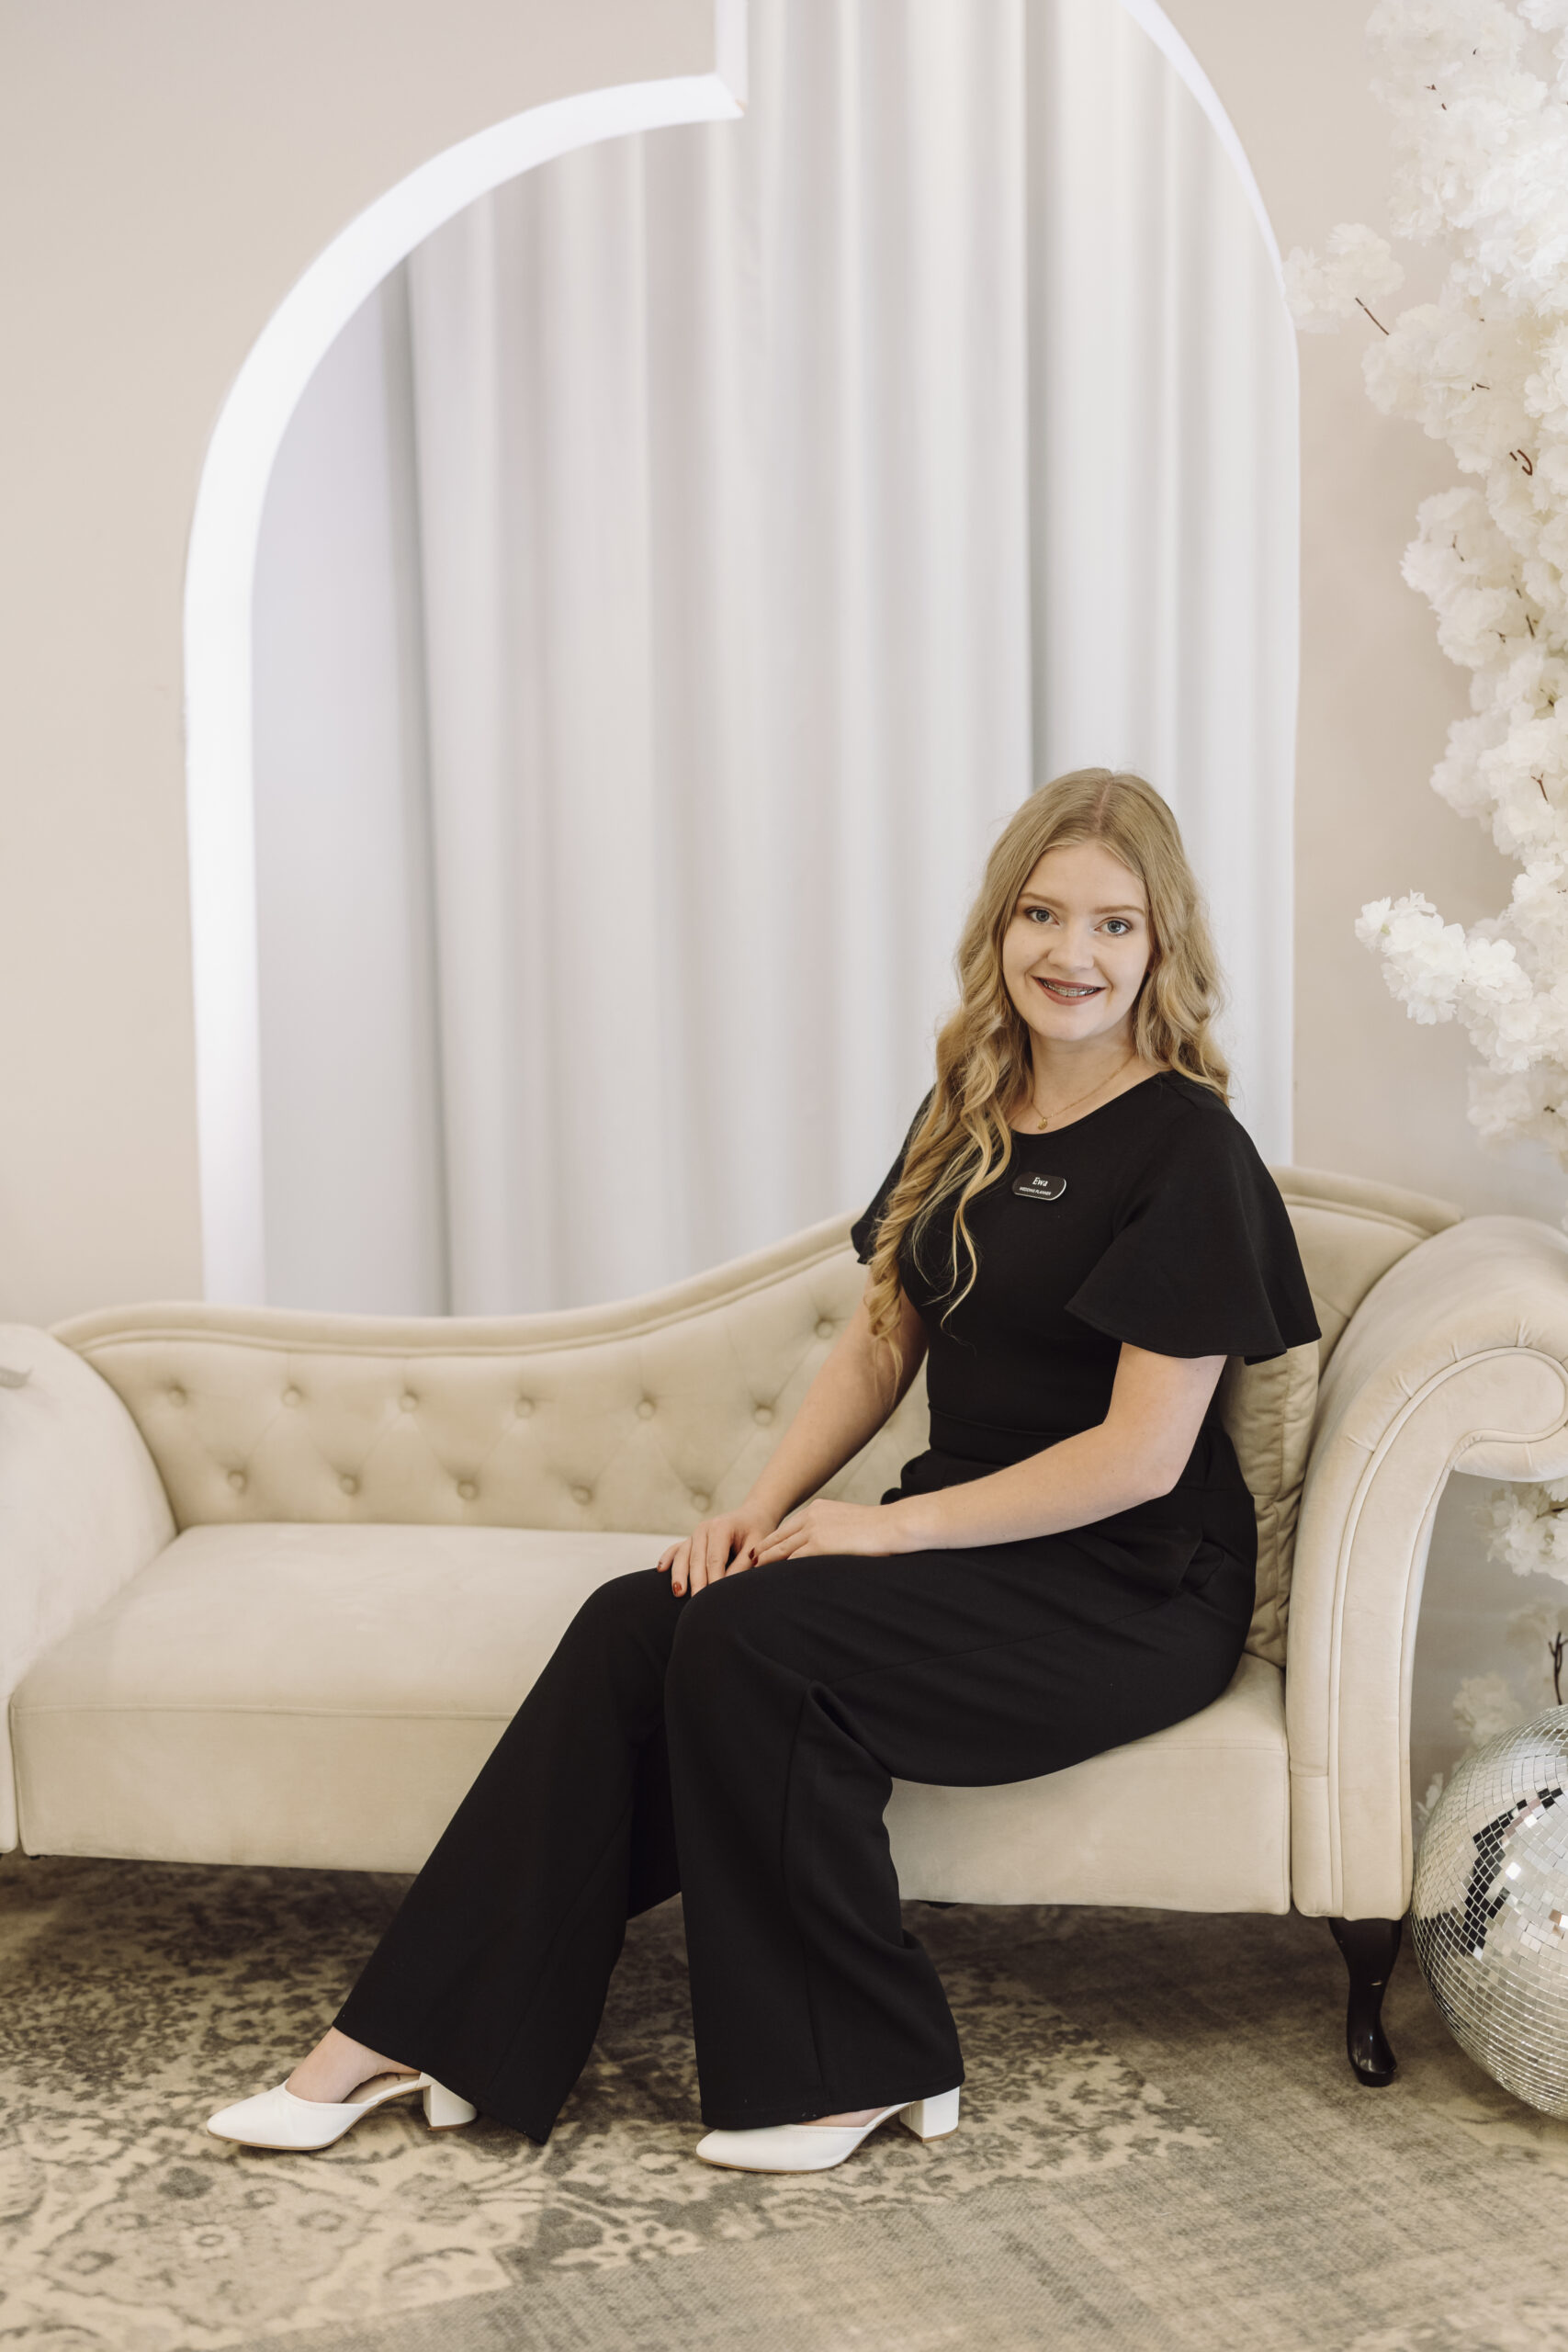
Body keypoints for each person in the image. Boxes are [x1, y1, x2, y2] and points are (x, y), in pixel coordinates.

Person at [208, 767, 1317, 2175]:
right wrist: (760, 1508)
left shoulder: (1192, 1149)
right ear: (999, 926)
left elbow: (1141, 1458)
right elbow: (880, 1342)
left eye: (1113, 924)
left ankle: (862, 2063)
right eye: (1042, 914)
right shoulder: (970, 1106)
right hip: (969, 1550)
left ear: (1163, 945)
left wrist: (888, 1534)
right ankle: (419, 2031)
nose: (1071, 954)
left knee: (757, 1643)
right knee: (641, 1619)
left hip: (1130, 1585)